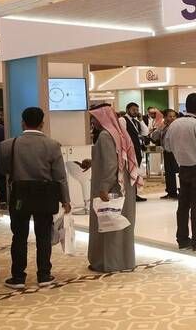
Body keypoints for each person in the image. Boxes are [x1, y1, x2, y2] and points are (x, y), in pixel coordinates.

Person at [0, 107, 71, 289]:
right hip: (45, 195)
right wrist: (66, 200)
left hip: (19, 196)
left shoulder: (8, 145)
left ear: (22, 122)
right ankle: (44, 275)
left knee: (19, 236)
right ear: (42, 124)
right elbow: (60, 176)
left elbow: (3, 170)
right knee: (44, 236)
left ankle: (18, 277)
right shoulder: (52, 145)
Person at [86, 104, 142, 272]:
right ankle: (124, 260)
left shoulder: (105, 135)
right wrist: (93, 162)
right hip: (124, 185)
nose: (93, 122)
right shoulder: (119, 132)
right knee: (121, 225)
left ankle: (108, 262)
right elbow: (118, 159)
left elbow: (111, 165)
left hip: (112, 187)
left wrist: (104, 188)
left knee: (109, 225)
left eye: (94, 118)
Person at [164, 93, 196, 252]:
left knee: (183, 205)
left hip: (183, 168)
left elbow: (167, 146)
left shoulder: (174, 124)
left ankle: (182, 239)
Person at [119, 102, 147, 202]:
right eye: (133, 110)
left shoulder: (136, 122)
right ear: (127, 110)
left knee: (136, 173)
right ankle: (130, 195)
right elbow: (123, 135)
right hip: (129, 151)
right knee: (130, 173)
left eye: (137, 110)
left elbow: (145, 132)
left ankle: (135, 194)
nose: (136, 112)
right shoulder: (122, 120)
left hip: (137, 150)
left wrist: (141, 120)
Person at [150, 109, 179, 200]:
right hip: (167, 152)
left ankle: (177, 192)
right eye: (170, 116)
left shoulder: (178, 127)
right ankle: (170, 192)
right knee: (169, 173)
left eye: (174, 116)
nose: (172, 118)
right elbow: (154, 137)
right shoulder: (164, 127)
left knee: (175, 173)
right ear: (165, 117)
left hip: (176, 152)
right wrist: (160, 127)